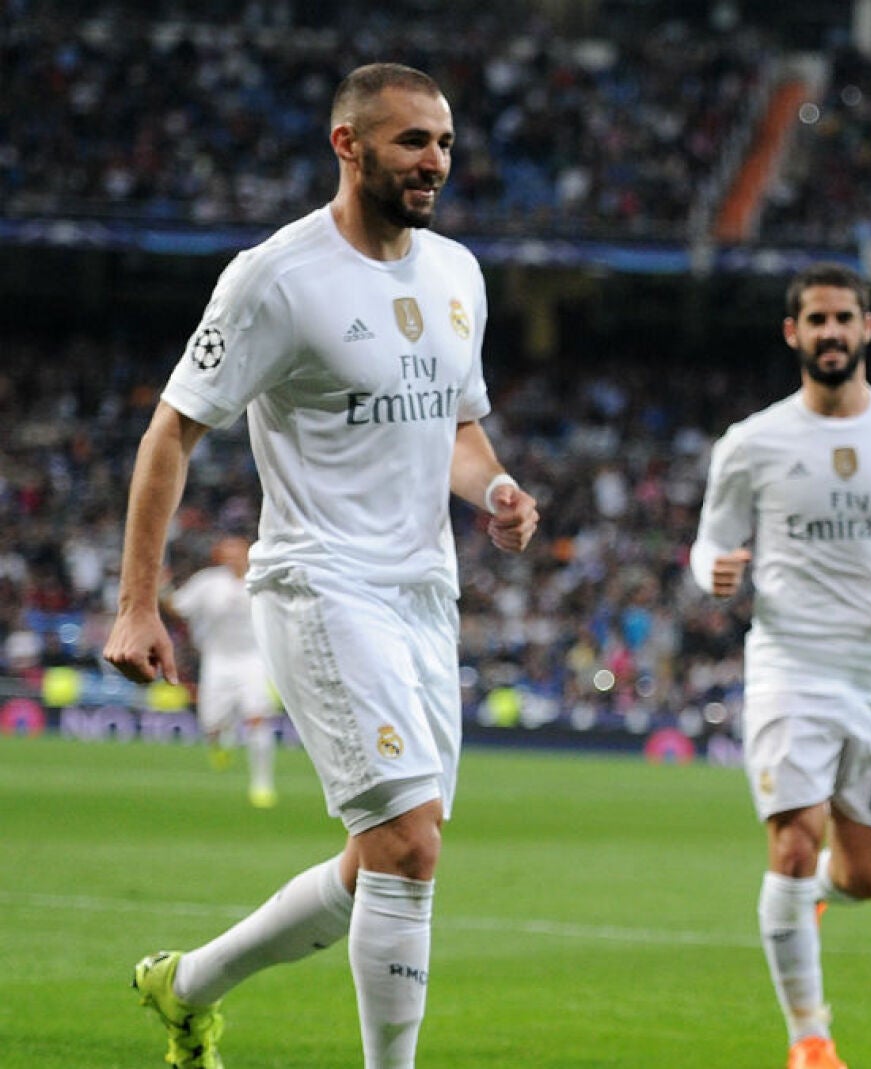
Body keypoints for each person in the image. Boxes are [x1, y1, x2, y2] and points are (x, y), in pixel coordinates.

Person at [104, 62, 538, 1069]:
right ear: (347, 145)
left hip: (425, 595)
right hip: (319, 584)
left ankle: (187, 984)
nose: (433, 161)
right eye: (410, 142)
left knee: (378, 862)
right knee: (409, 849)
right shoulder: (277, 277)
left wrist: (498, 489)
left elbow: (458, 429)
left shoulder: (457, 273)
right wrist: (137, 605)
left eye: (443, 144)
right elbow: (172, 430)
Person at [689, 263, 871, 1069]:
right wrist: (711, 569)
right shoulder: (751, 443)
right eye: (816, 320)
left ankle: (807, 899)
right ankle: (811, 1040)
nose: (832, 332)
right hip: (789, 666)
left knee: (868, 873)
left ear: (867, 327)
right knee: (788, 844)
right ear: (793, 333)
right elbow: (710, 539)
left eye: (844, 318)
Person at [166, 536, 280, 808]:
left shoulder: (263, 578)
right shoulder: (208, 582)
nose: (232, 558)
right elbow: (178, 607)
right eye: (226, 553)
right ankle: (220, 740)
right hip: (217, 660)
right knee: (211, 724)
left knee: (257, 718)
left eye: (237, 552)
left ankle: (262, 785)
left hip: (253, 659)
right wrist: (160, 588)